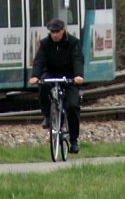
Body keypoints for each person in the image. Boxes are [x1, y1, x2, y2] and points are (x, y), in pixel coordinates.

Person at [29, 18, 84, 153]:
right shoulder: (45, 43)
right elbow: (39, 60)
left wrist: (78, 75)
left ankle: (73, 140)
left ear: (63, 30)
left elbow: (77, 59)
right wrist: (35, 75)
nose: (54, 34)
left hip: (70, 76)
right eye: (52, 32)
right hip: (51, 73)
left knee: (72, 106)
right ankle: (48, 115)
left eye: (57, 32)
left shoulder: (73, 42)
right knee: (43, 85)